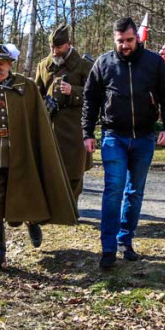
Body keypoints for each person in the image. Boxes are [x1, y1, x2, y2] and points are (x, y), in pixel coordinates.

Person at [0, 43, 76, 275]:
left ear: (9, 64)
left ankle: (32, 221)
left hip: (22, 152)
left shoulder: (26, 87)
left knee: (24, 194)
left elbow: (39, 122)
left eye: (1, 63)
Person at [82, 17, 165, 269]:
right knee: (113, 190)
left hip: (145, 137)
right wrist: (87, 133)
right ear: (114, 40)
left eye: (129, 40)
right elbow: (90, 100)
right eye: (120, 41)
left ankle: (126, 240)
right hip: (113, 135)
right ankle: (108, 246)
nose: (125, 45)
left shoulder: (154, 62)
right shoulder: (103, 63)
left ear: (138, 38)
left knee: (134, 192)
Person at [34, 23, 94, 202]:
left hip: (74, 127)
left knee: (74, 171)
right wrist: (43, 102)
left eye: (58, 47)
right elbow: (37, 92)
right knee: (49, 168)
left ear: (68, 44)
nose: (54, 51)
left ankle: (71, 207)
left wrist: (73, 91)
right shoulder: (44, 65)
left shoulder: (84, 66)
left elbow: (94, 96)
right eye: (51, 47)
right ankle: (52, 207)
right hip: (50, 125)